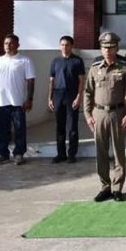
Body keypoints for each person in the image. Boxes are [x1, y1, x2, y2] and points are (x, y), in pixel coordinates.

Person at [84, 32, 126, 202]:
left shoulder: (124, 66)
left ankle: (117, 188)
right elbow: (88, 92)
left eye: (111, 47)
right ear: (101, 48)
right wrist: (87, 114)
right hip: (99, 114)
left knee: (119, 152)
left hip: (118, 113)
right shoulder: (95, 67)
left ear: (117, 48)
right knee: (101, 152)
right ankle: (105, 186)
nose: (107, 50)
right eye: (104, 47)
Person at [0, 34, 36, 166]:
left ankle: (19, 154)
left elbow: (31, 81)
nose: (8, 46)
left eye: (11, 43)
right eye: (6, 43)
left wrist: (29, 99)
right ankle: (1, 154)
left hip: (18, 103)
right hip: (1, 102)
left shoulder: (25, 61)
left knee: (19, 129)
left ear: (17, 45)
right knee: (1, 130)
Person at [47, 35, 86, 164]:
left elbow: (81, 80)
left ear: (72, 46)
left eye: (67, 45)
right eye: (62, 45)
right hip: (58, 95)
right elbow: (51, 81)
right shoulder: (55, 61)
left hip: (71, 94)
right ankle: (61, 154)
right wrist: (50, 98)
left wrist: (79, 96)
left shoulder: (77, 61)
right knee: (60, 126)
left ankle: (72, 154)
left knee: (72, 126)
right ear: (60, 46)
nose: (64, 47)